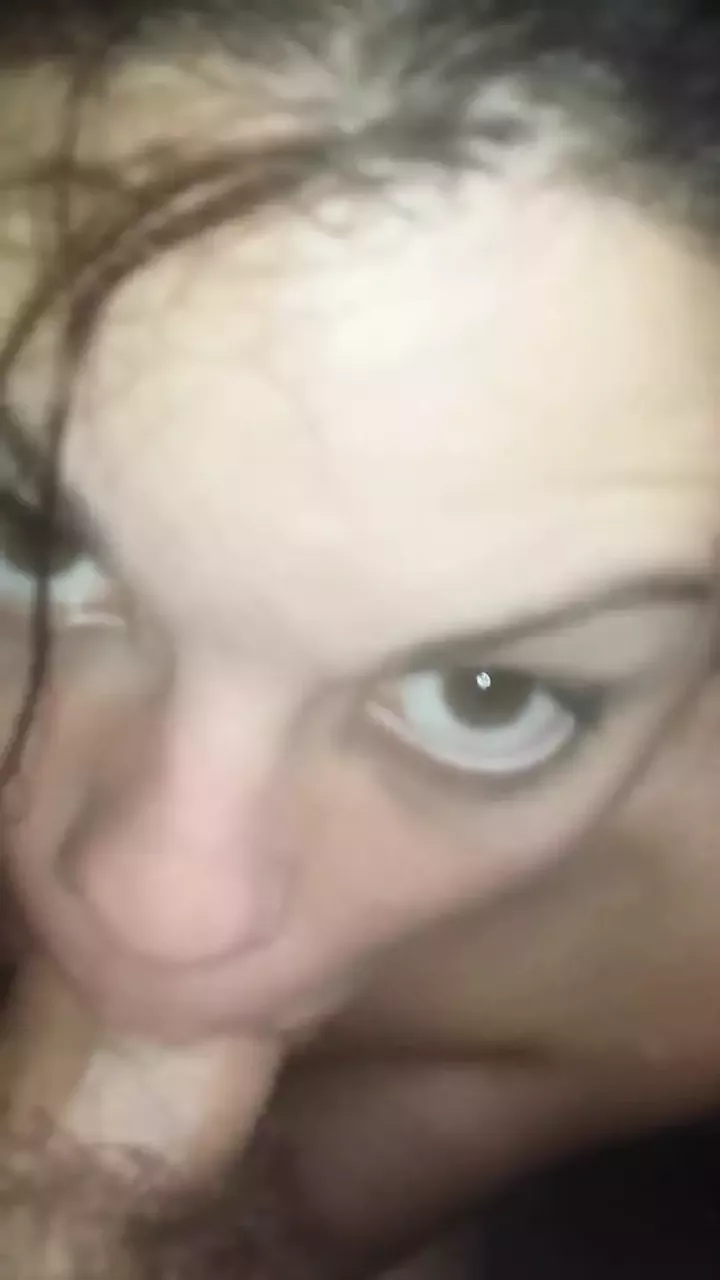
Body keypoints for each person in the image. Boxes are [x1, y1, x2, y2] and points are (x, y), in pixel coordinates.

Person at [2, 0, 720, 1274]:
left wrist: (79, 1217)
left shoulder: (685, 948)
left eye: (488, 694)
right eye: (31, 535)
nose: (159, 910)